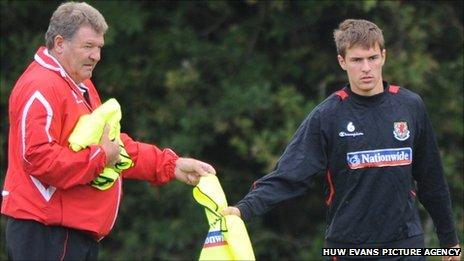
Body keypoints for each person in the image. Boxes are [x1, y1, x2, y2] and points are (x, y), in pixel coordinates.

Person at [222, 19, 461, 260]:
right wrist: (244, 209)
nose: (366, 67)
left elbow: (432, 179)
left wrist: (449, 239)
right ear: (342, 61)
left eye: (372, 58)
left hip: (405, 245)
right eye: (357, 60)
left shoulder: (410, 106)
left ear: (383, 57)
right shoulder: (328, 115)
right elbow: (289, 175)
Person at [1, 2, 216, 260]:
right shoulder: (41, 86)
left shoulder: (79, 84)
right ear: (59, 43)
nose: (96, 56)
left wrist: (171, 165)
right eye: (88, 46)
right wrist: (100, 156)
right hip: (48, 233)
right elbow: (37, 158)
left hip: (71, 234)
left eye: (99, 47)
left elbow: (114, 145)